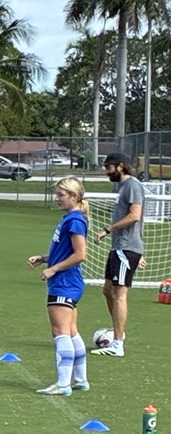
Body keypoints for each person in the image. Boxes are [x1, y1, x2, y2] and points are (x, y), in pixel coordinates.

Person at [28, 177, 90, 395]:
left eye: (61, 195)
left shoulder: (75, 221)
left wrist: (53, 269)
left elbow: (80, 254)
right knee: (71, 331)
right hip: (68, 281)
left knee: (60, 331)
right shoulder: (70, 219)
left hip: (65, 282)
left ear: (74, 196)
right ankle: (80, 379)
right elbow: (65, 251)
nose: (57, 198)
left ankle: (63, 384)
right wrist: (45, 259)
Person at [92, 152, 145, 357]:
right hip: (120, 248)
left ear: (120, 166)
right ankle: (118, 332)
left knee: (119, 294)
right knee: (107, 290)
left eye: (108, 168)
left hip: (126, 248)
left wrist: (108, 229)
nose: (106, 172)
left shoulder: (132, 185)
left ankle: (117, 344)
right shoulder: (122, 187)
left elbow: (135, 216)